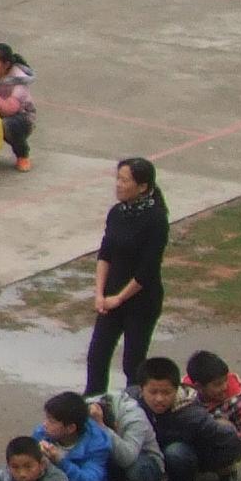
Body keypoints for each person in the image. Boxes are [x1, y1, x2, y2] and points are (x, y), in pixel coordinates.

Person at [84, 158, 168, 396]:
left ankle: (135, 409)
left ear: (142, 187)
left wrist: (119, 298)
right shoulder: (117, 213)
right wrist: (100, 294)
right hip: (110, 297)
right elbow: (105, 253)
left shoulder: (155, 219)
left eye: (125, 180)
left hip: (141, 300)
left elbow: (148, 269)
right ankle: (94, 405)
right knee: (97, 355)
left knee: (133, 362)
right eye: (117, 179)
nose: (118, 185)